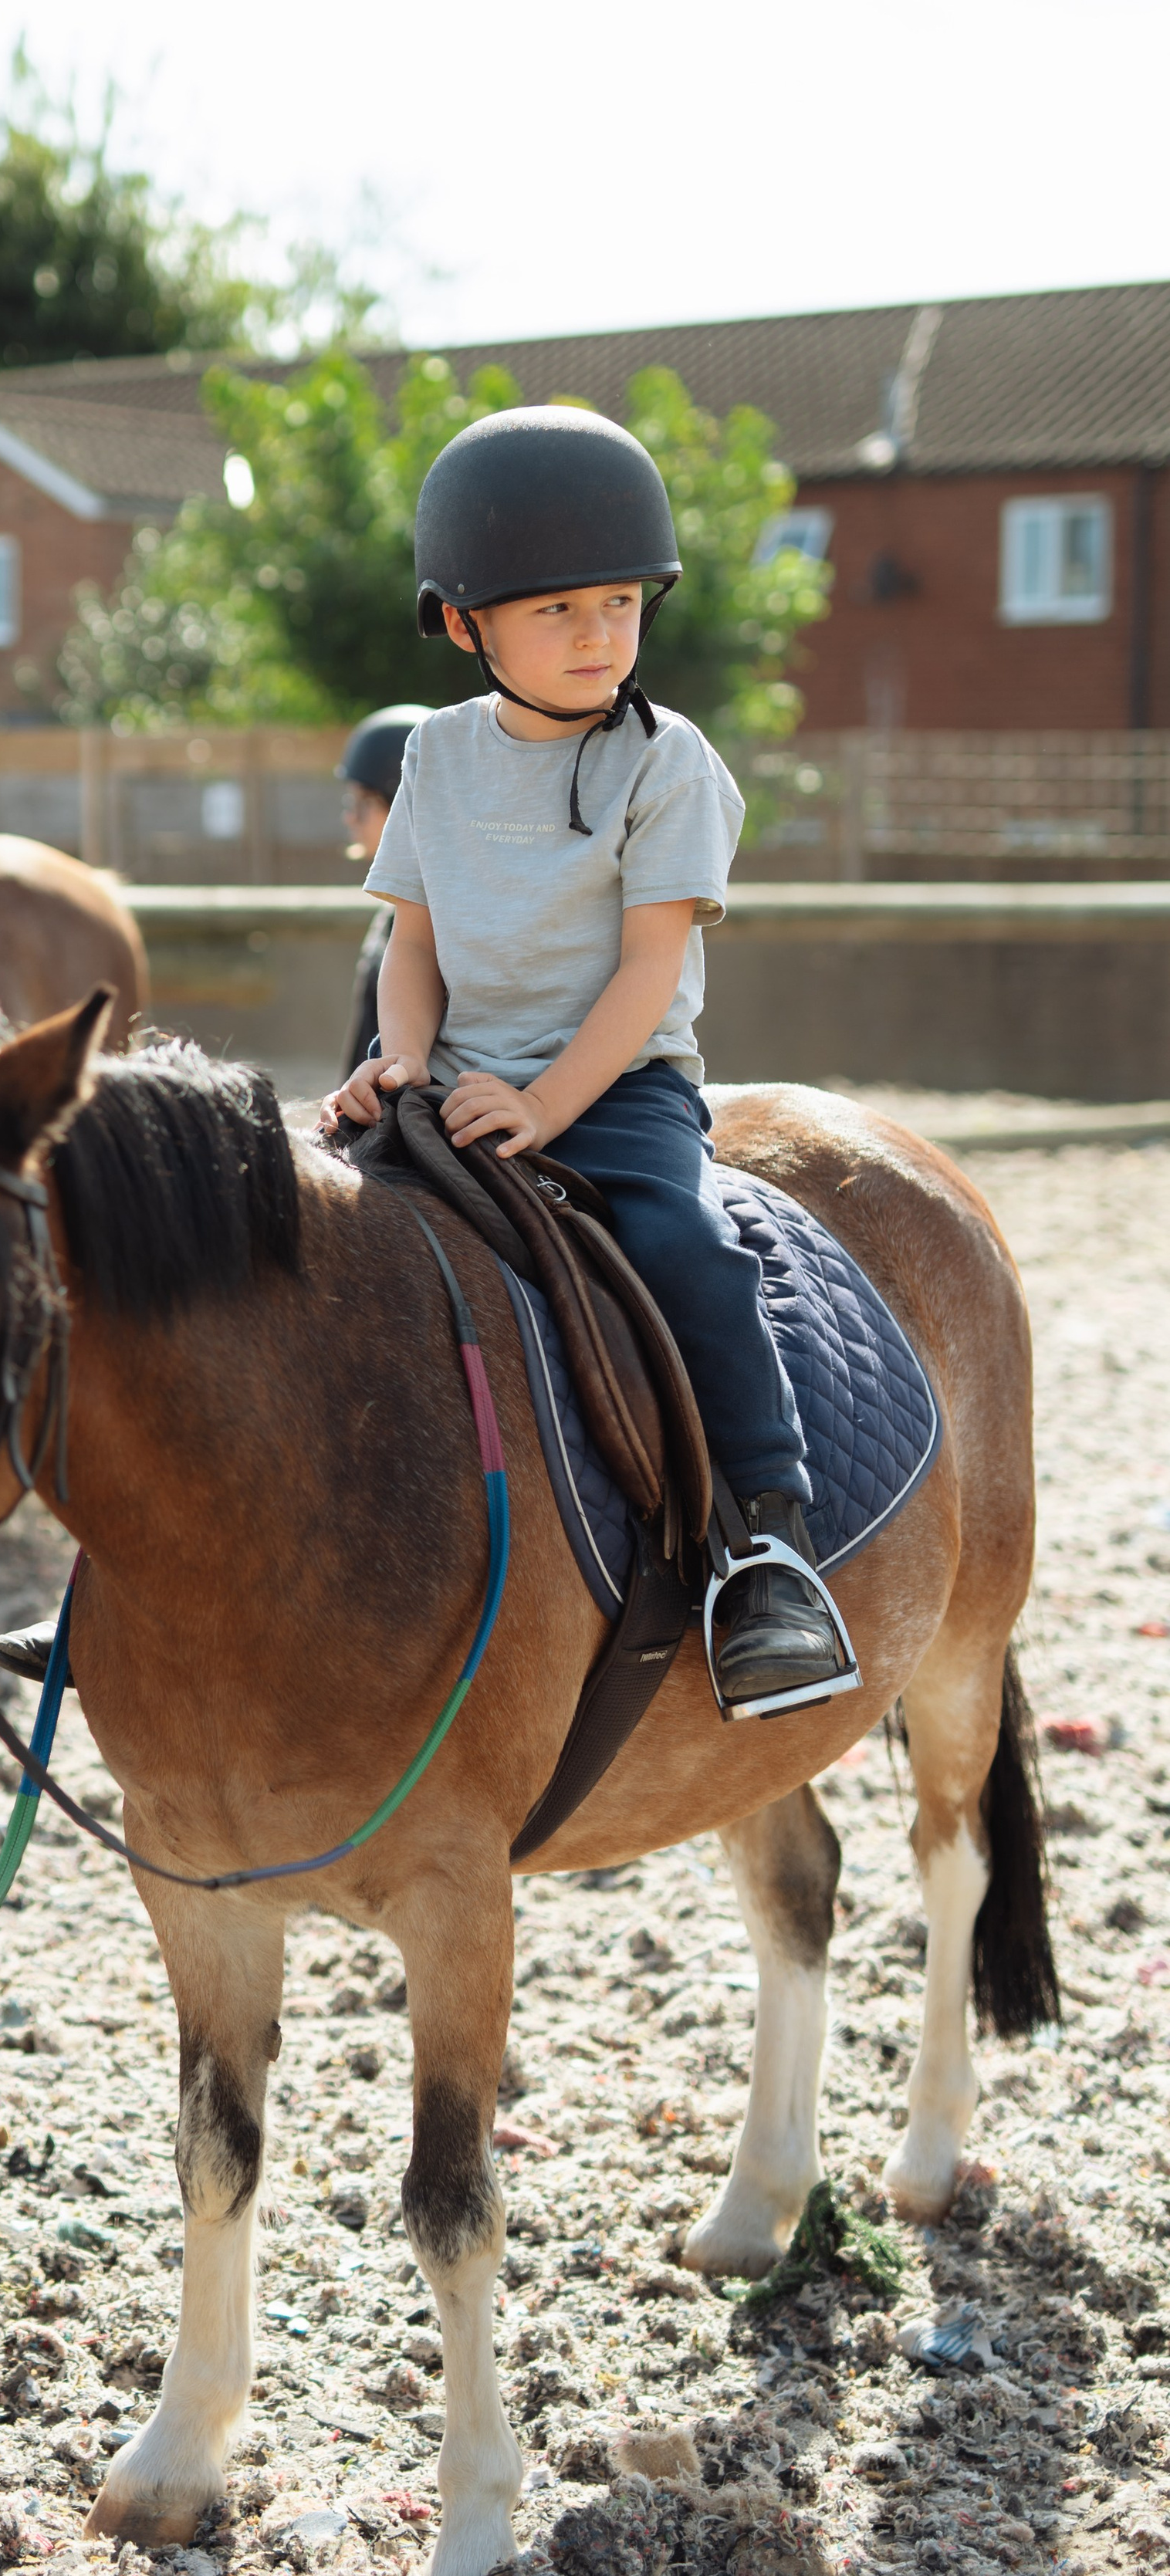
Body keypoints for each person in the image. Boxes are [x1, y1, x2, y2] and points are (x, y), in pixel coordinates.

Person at [322, 407, 853, 1712]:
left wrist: (549, 1103)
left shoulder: (669, 764)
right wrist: (397, 1064)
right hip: (456, 1080)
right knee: (281, 1231)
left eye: (619, 603)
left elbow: (647, 973)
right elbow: (413, 944)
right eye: (558, 609)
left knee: (684, 1245)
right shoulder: (436, 757)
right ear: (464, 625)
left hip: (617, 1091)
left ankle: (766, 1547)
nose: (599, 636)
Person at [336, 704, 433, 1082]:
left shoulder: (439, 923)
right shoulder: (394, 910)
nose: (349, 817)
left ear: (403, 805)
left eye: (362, 803)